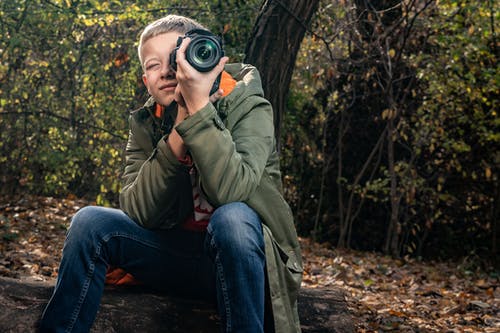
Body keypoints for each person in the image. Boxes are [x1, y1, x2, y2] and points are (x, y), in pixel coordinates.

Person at [38, 14, 302, 333]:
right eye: (152, 65)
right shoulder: (147, 122)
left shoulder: (245, 101)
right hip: (175, 258)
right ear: (145, 80)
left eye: (174, 58)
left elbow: (233, 190)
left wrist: (200, 108)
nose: (165, 71)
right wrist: (179, 128)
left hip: (248, 265)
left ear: (202, 59)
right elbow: (139, 210)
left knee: (232, 216)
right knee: (90, 222)